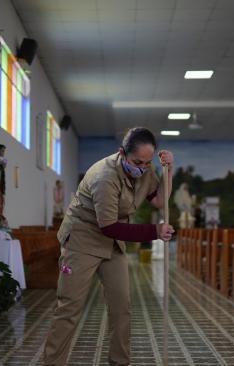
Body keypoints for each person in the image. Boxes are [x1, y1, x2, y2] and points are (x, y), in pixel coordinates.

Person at [43, 127, 174, 366]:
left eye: (147, 163)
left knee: (121, 307)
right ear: (122, 152)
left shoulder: (145, 170)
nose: (142, 168)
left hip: (112, 245)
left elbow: (158, 200)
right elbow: (109, 227)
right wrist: (154, 232)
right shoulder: (104, 176)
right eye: (137, 162)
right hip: (83, 240)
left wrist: (168, 171)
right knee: (69, 309)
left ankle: (119, 362)